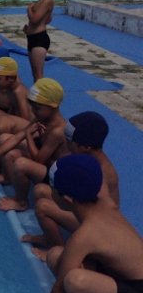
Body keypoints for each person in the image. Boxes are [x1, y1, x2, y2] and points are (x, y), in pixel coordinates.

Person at [35, 154, 143, 293]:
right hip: (124, 275)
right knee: (55, 255)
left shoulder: (86, 235)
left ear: (67, 198)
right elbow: (94, 170)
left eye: (53, 190)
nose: (49, 193)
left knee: (74, 280)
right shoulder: (104, 200)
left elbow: (59, 290)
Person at [21, 111, 120, 259]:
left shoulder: (102, 172)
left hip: (100, 225)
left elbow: (99, 212)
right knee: (40, 190)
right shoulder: (86, 159)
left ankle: (58, 250)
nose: (66, 144)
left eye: (69, 141)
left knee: (43, 206)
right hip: (90, 212)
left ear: (85, 146)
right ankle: (49, 238)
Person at [0, 78, 68, 211]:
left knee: (21, 163)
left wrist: (28, 135)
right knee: (7, 143)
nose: (33, 111)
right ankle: (9, 179)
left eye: (37, 107)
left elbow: (38, 159)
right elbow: (15, 139)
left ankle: (21, 202)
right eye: (32, 106)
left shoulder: (58, 131)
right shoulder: (41, 118)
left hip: (56, 175)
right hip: (45, 165)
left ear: (53, 106)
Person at [23, 0, 55, 82]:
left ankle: (41, 98)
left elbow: (35, 20)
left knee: (39, 76)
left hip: (39, 40)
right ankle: (36, 98)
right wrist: (29, 30)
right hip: (33, 37)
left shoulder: (47, 0)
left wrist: (29, 9)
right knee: (35, 75)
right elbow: (47, 19)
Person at [0, 56, 32, 120]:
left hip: (25, 124)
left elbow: (25, 120)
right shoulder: (10, 88)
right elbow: (13, 109)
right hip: (17, 119)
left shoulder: (19, 91)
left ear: (11, 79)